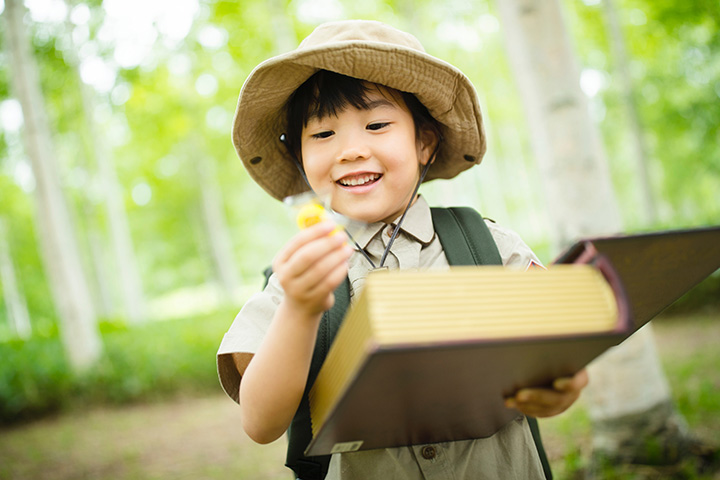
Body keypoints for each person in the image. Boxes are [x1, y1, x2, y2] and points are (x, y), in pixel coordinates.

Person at [217, 19, 588, 480]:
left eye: (376, 124)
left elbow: (562, 342)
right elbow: (260, 422)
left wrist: (562, 381)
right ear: (300, 158)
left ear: (424, 143)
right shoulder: (297, 276)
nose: (350, 150)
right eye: (323, 135)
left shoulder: (487, 245)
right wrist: (300, 308)